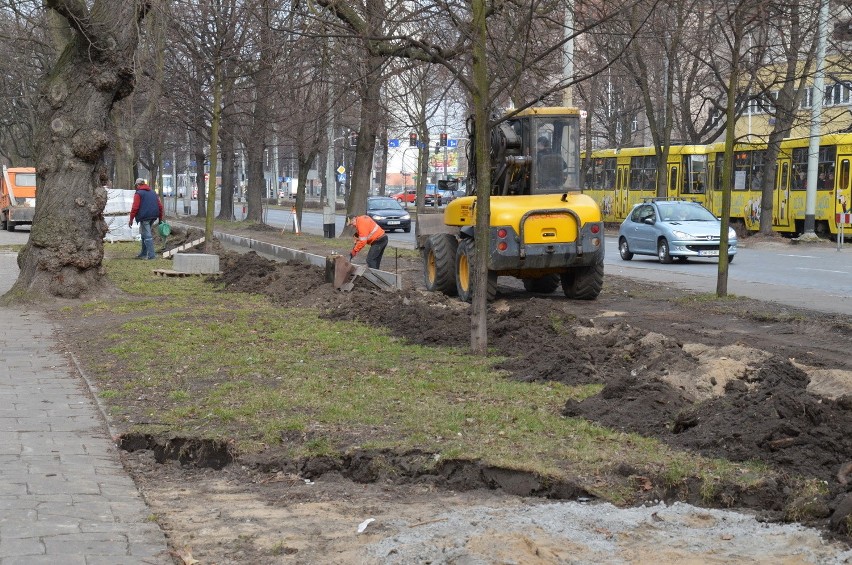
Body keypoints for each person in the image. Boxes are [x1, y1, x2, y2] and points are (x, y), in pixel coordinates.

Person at [129, 178, 164, 260]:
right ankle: (143, 253)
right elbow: (160, 206)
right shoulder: (153, 192)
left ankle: (152, 256)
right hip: (154, 216)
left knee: (147, 235)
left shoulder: (138, 193)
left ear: (138, 185)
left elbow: (135, 208)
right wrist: (160, 217)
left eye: (136, 186)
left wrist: (131, 219)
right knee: (144, 234)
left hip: (145, 217)